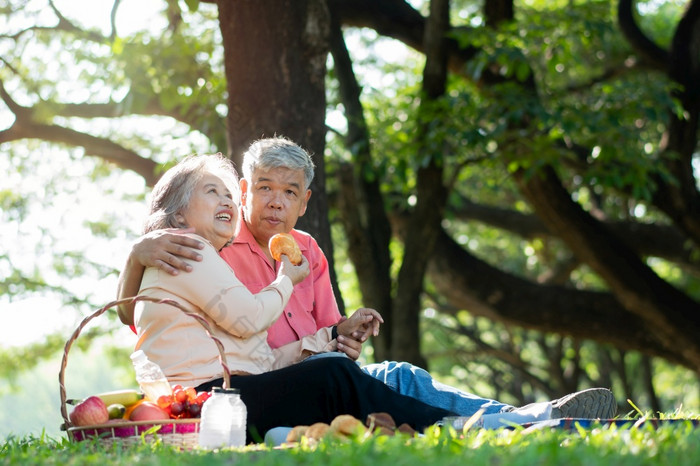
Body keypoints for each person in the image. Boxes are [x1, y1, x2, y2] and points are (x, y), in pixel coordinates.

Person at [118, 137, 617, 422]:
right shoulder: (207, 251)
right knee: (341, 377)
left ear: (304, 201)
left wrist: (341, 335)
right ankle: (497, 423)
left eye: (289, 192)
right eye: (260, 189)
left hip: (276, 377)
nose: (274, 201)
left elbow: (292, 346)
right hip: (246, 393)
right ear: (246, 191)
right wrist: (137, 251)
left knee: (398, 372)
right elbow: (149, 317)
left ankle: (524, 417)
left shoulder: (306, 250)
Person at [129, 152, 456, 443]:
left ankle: (464, 420)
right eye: (212, 192)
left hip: (223, 396)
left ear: (304, 201)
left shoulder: (210, 259)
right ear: (179, 214)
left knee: (352, 372)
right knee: (334, 376)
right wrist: (286, 280)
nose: (226, 201)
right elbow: (251, 320)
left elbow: (263, 361)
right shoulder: (188, 250)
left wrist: (332, 336)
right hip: (202, 401)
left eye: (227, 194)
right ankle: (445, 425)